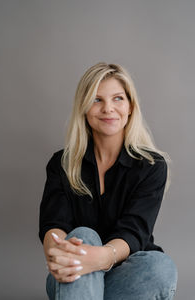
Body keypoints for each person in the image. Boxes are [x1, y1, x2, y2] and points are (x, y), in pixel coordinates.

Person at [39, 62, 178, 300]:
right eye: (97, 99)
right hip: (73, 271)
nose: (108, 109)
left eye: (117, 99)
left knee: (160, 268)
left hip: (129, 270)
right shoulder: (61, 163)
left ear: (131, 106)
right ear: (83, 107)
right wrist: (59, 255)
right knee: (83, 234)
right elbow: (54, 225)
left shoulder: (151, 166)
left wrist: (101, 258)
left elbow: (135, 231)